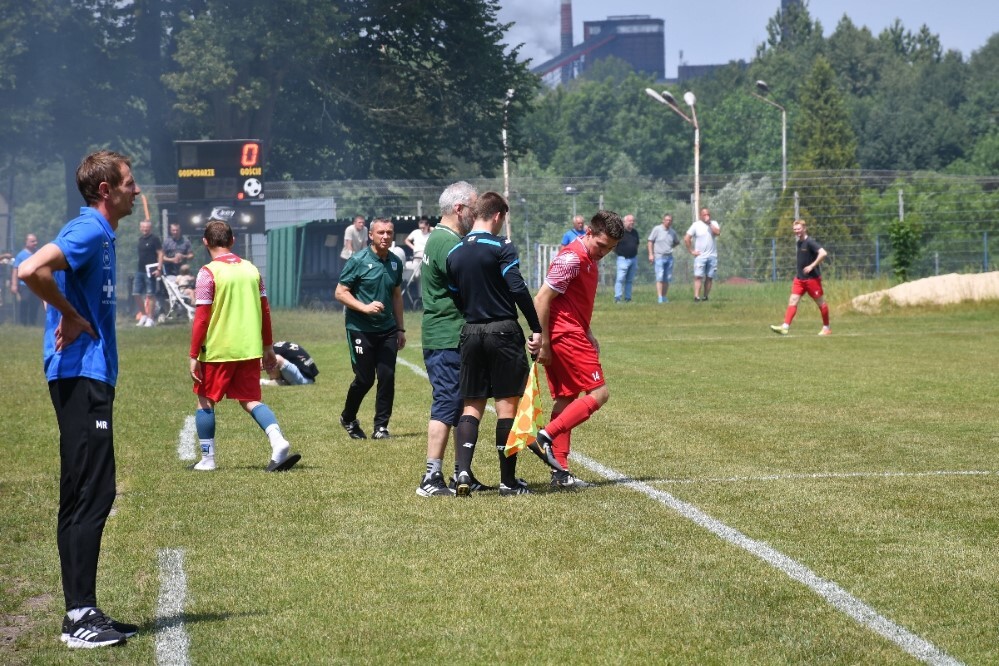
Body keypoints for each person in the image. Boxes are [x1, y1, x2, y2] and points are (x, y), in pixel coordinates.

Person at [17, 150, 141, 648]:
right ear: (106, 190)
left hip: (87, 375)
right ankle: (80, 615)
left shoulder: (102, 234)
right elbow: (31, 269)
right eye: (129, 183)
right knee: (94, 491)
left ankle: (81, 611)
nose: (137, 190)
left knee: (82, 490)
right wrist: (69, 314)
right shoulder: (88, 229)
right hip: (79, 373)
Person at [446, 192, 547, 497]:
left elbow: (455, 295)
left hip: (471, 332)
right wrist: (536, 327)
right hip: (503, 331)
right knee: (506, 407)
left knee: (471, 405)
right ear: (498, 215)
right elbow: (517, 288)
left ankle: (463, 472)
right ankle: (507, 482)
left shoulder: (454, 253)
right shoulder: (501, 246)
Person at [188, 219, 301, 473]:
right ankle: (278, 441)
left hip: (217, 350)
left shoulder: (207, 273)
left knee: (205, 400)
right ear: (232, 240)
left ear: (205, 242)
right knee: (250, 399)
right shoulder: (252, 270)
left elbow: (202, 318)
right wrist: (268, 346)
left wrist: (194, 354)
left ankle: (207, 459)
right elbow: (265, 311)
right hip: (249, 349)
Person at [535, 211, 624, 489]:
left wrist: (589, 332)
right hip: (564, 334)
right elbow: (541, 299)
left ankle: (560, 472)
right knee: (599, 393)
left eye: (610, 248)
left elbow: (573, 302)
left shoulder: (589, 260)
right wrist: (544, 342)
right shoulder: (571, 258)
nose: (604, 253)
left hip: (573, 331)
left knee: (566, 398)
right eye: (601, 245)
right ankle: (544, 437)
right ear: (588, 232)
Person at [416, 181, 482, 497]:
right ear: (459, 209)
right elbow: (471, 286)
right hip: (446, 336)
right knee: (446, 402)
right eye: (474, 209)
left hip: (449, 334)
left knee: (459, 403)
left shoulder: (442, 238)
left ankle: (460, 473)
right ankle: (430, 478)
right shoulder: (447, 243)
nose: (477, 215)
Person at [335, 218, 406, 440]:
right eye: (381, 232)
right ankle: (348, 418)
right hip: (360, 329)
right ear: (371, 235)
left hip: (387, 329)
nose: (385, 236)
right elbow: (340, 292)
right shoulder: (357, 260)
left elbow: (396, 296)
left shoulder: (395, 262)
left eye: (389, 232)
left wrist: (400, 329)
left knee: (387, 376)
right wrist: (364, 308)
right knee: (365, 379)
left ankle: (381, 427)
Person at [770, 219, 831, 336]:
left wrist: (812, 266)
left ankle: (826, 328)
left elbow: (823, 253)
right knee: (793, 300)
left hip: (812, 279)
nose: (797, 231)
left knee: (820, 303)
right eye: (795, 229)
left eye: (799, 229)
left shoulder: (810, 242)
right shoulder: (799, 243)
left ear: (804, 229)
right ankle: (785, 327)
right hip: (799, 280)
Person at [684, 207, 721, 302]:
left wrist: (709, 224)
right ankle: (696, 297)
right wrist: (691, 251)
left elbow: (717, 232)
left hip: (712, 255)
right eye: (704, 215)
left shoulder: (714, 223)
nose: (706, 216)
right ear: (700, 216)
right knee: (698, 276)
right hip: (700, 256)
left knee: (709, 277)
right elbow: (687, 238)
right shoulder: (696, 225)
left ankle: (705, 296)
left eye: (708, 214)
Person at [133, 219, 162, 326]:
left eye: (147, 227)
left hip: (151, 271)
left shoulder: (155, 239)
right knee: (136, 294)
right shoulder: (140, 239)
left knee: (150, 294)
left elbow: (160, 253)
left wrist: (159, 268)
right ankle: (144, 315)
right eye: (143, 227)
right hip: (140, 270)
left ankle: (150, 318)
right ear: (141, 228)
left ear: (150, 228)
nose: (145, 229)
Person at [647, 213, 682, 303]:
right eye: (667, 220)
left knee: (667, 278)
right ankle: (659, 297)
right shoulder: (657, 229)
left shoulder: (672, 232)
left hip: (669, 257)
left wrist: (670, 247)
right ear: (663, 220)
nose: (668, 222)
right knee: (660, 277)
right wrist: (651, 254)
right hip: (659, 256)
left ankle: (664, 296)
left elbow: (677, 242)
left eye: (670, 220)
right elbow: (650, 241)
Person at [11, 233, 43, 325]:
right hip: (24, 284)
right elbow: (15, 270)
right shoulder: (21, 255)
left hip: (36, 284)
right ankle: (23, 323)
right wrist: (14, 284)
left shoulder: (39, 253)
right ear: (26, 242)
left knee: (35, 303)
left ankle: (33, 322)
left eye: (36, 241)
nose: (35, 243)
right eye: (32, 241)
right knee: (25, 302)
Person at [613, 214, 639, 303]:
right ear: (624, 222)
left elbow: (637, 244)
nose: (632, 222)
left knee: (629, 280)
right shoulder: (620, 233)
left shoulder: (635, 232)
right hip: (622, 259)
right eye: (630, 221)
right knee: (620, 279)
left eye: (633, 221)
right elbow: (613, 246)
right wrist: (620, 253)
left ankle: (628, 298)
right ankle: (618, 298)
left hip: (633, 259)